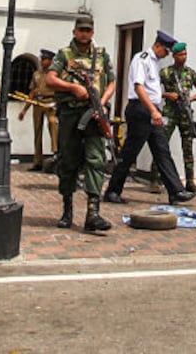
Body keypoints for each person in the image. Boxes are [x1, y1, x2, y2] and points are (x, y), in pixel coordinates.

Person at [103, 30, 195, 205]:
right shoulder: (142, 59)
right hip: (141, 110)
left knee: (162, 151)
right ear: (158, 45)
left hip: (152, 110)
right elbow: (139, 87)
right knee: (130, 152)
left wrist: (158, 106)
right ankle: (113, 190)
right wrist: (153, 110)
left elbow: (153, 90)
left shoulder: (155, 62)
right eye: (166, 50)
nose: (167, 54)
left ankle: (176, 191)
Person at [47, 13, 116, 232]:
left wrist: (102, 104)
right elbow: (50, 79)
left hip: (94, 115)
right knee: (68, 161)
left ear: (92, 33)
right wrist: (72, 88)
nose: (85, 34)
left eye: (88, 31)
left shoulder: (101, 55)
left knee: (96, 160)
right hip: (70, 114)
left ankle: (93, 213)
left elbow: (112, 82)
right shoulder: (64, 54)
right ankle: (67, 210)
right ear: (75, 32)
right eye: (81, 30)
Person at [156, 42, 196, 192]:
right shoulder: (165, 73)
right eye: (180, 55)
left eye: (185, 54)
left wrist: (191, 99)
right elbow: (152, 89)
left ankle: (190, 181)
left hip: (185, 114)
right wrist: (167, 95)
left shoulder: (190, 73)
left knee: (188, 148)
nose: (183, 57)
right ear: (174, 56)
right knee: (161, 144)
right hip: (170, 113)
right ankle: (155, 179)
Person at [19, 48, 57, 172]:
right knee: (37, 131)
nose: (42, 62)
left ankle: (56, 154)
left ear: (51, 61)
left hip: (51, 103)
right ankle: (37, 161)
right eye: (41, 59)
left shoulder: (56, 73)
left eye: (45, 59)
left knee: (53, 125)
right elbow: (32, 92)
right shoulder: (37, 74)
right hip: (38, 103)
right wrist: (24, 110)